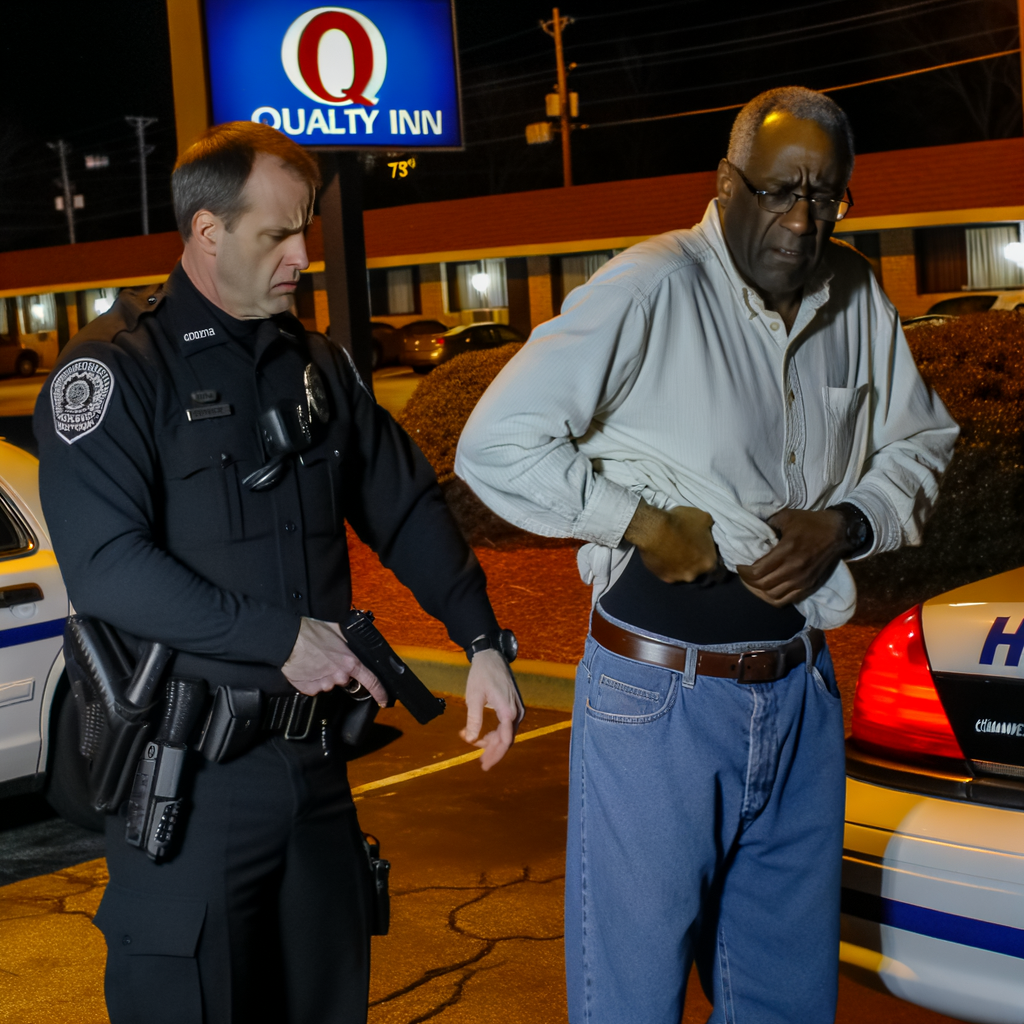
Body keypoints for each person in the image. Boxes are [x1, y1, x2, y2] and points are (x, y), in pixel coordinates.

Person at [456, 87, 958, 1024]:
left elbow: (920, 443)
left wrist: (846, 520)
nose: (801, 220)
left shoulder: (855, 293)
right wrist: (640, 523)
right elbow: (495, 444)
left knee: (786, 996)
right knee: (634, 999)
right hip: (660, 700)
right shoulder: (649, 287)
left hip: (801, 690)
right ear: (727, 184)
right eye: (778, 191)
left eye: (826, 194)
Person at [34, 121, 523, 1024]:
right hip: (188, 778)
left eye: (307, 230)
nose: (303, 254)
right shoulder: (112, 374)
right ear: (209, 233)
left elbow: (405, 504)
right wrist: (280, 639)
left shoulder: (318, 365)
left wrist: (482, 639)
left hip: (315, 768)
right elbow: (107, 568)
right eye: (278, 234)